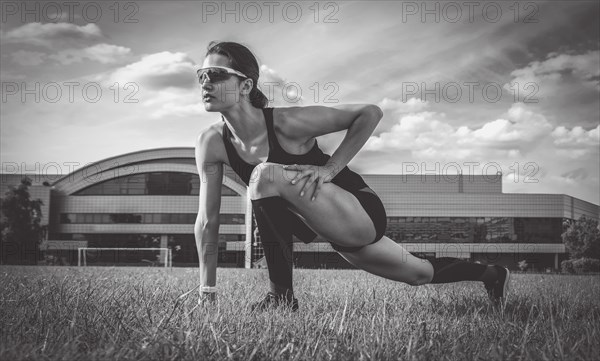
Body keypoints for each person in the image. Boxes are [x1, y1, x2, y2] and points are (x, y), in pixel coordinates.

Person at [194, 41, 510, 311]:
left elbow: (369, 113)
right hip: (329, 227)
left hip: (357, 210)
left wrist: (330, 169)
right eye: (202, 75)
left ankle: (281, 298)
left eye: (217, 75)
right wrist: (207, 291)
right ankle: (494, 275)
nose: (206, 83)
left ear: (246, 85)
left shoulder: (286, 123)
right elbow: (207, 221)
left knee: (263, 176)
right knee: (419, 274)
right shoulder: (212, 142)